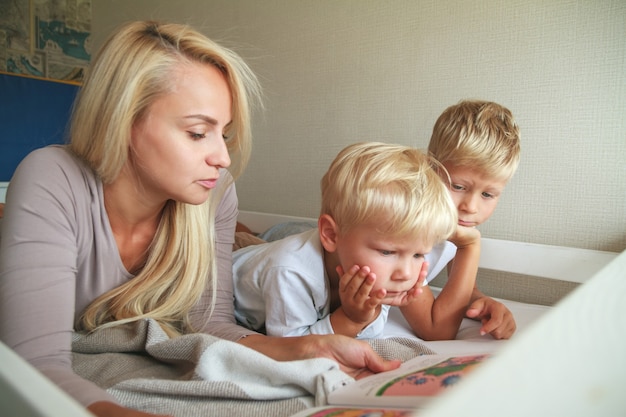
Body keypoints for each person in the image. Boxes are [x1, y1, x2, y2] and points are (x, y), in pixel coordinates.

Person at [0, 21, 400, 417]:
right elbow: (37, 365)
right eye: (196, 133)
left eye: (223, 134)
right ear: (122, 120)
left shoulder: (217, 193)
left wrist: (307, 347)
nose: (222, 158)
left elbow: (210, 325)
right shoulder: (51, 175)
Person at [232, 142, 458, 339]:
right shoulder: (290, 271)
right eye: (388, 252)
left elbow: (368, 334)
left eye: (418, 255)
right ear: (331, 235)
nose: (406, 274)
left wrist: (371, 310)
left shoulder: (376, 275)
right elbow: (289, 346)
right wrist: (350, 319)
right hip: (222, 285)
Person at [400, 99, 521, 340]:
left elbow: (463, 289)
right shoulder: (405, 225)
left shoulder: (456, 230)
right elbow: (437, 330)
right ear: (429, 169)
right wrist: (471, 246)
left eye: (488, 194)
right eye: (458, 186)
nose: (470, 207)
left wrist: (481, 303)